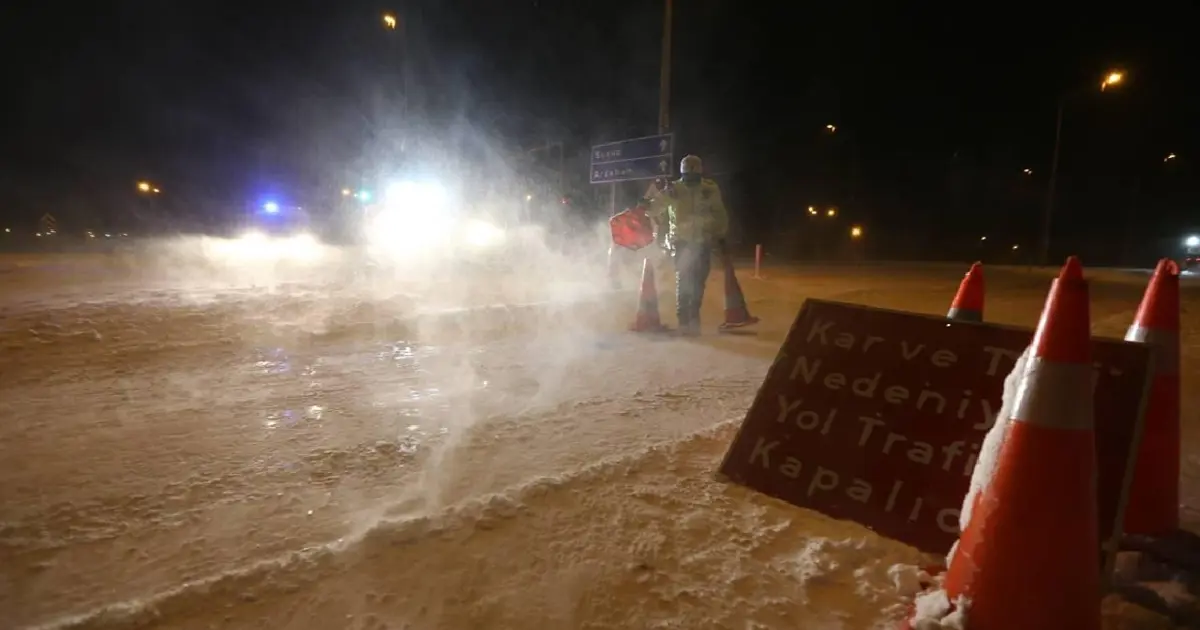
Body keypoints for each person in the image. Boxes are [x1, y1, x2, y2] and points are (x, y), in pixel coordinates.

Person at [646, 154, 729, 335]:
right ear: (683, 174)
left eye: (694, 177)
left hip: (702, 242)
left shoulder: (709, 189)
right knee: (683, 281)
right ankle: (683, 320)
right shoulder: (674, 189)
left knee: (699, 282)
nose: (691, 180)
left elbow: (719, 212)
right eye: (688, 177)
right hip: (681, 243)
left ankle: (693, 318)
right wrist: (646, 206)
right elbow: (656, 206)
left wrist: (720, 233)